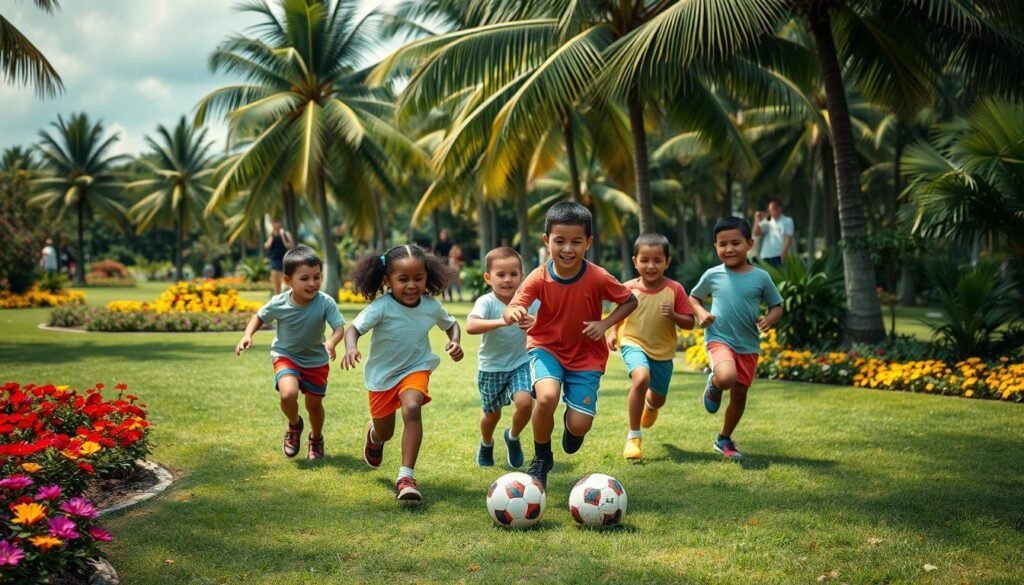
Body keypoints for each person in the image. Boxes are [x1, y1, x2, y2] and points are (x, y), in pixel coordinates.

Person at [504, 202, 638, 488]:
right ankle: (541, 457)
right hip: (546, 348)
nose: (567, 249)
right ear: (546, 241)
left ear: (588, 243)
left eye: (576, 242)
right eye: (559, 241)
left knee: (579, 425)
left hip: (586, 356)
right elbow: (515, 305)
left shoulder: (598, 277)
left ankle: (571, 426)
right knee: (547, 397)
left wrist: (605, 324)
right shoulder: (539, 277)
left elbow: (630, 300)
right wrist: (515, 312)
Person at [342, 244, 464, 502]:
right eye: (403, 279)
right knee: (385, 431)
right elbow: (353, 329)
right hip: (382, 377)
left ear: (427, 278)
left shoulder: (430, 306)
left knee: (412, 407)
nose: (411, 285)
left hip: (415, 368)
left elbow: (452, 325)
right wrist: (351, 347)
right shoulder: (381, 307)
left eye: (418, 279)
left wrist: (455, 341)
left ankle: (406, 476)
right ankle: (374, 436)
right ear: (387, 281)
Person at [235, 246, 346, 461]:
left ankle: (316, 438)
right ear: (288, 280)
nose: (312, 283)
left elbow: (339, 328)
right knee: (288, 394)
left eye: (317, 277)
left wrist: (332, 342)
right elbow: (259, 316)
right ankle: (294, 425)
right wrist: (247, 335)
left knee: (314, 405)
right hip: (286, 355)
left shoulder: (325, 302)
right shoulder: (279, 303)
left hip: (316, 360)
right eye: (304, 278)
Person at [688, 217, 783, 461]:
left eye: (735, 243)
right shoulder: (712, 274)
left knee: (740, 394)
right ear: (715, 247)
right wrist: (701, 313)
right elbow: (694, 298)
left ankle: (724, 438)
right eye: (722, 244)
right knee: (727, 377)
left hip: (748, 345)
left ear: (749, 243)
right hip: (719, 337)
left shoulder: (761, 277)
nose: (729, 249)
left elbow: (777, 306)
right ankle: (715, 383)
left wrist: (769, 319)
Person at [606, 234, 695, 461]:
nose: (651, 265)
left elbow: (689, 322)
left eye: (657, 260)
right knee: (641, 377)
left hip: (663, 353)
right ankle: (634, 437)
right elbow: (618, 313)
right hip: (633, 342)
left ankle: (651, 405)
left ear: (668, 262)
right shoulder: (627, 288)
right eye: (645, 260)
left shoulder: (675, 289)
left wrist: (674, 315)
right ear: (635, 261)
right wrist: (614, 331)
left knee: (658, 399)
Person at [465, 247, 538, 468]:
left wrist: (535, 323)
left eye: (514, 274)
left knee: (525, 403)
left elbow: (550, 324)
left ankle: (513, 437)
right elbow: (471, 325)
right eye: (501, 274)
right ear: (488, 277)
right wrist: (502, 321)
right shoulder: (486, 302)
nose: (508, 280)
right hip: (491, 368)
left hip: (521, 363)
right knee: (491, 415)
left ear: (521, 276)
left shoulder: (530, 301)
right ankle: (486, 443)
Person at [754, 199, 794, 267]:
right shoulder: (767, 221)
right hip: (765, 255)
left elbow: (788, 238)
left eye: (774, 208)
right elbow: (757, 233)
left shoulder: (787, 221)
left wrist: (783, 254)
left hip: (778, 256)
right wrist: (757, 220)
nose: (771, 211)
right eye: (770, 209)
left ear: (780, 208)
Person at [265, 218, 294, 295]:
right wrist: (271, 239)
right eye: (274, 223)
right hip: (274, 260)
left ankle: (287, 297)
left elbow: (290, 245)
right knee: (276, 283)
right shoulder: (271, 235)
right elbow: (266, 246)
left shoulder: (286, 234)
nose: (275, 225)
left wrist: (283, 237)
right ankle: (277, 298)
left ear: (280, 224)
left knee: (285, 282)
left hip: (284, 260)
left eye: (277, 222)